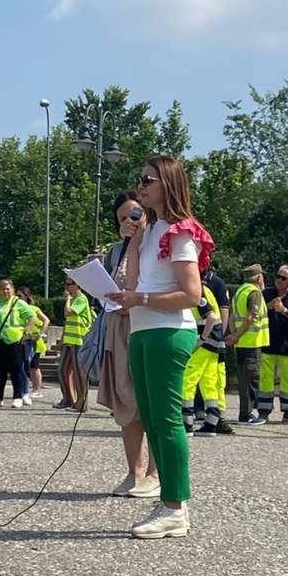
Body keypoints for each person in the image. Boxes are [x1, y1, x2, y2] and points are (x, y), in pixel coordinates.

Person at [106, 155, 213, 540]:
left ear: (168, 183)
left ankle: (175, 507)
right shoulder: (150, 232)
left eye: (148, 179)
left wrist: (142, 300)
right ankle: (168, 501)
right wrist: (133, 245)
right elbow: (134, 284)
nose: (141, 186)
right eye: (140, 179)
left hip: (168, 331)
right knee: (150, 420)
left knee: (166, 422)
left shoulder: (180, 232)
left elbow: (191, 293)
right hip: (142, 330)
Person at [99, 192, 161, 497]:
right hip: (119, 328)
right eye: (122, 218)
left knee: (150, 400)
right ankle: (133, 471)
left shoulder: (156, 244)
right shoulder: (115, 250)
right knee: (125, 400)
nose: (128, 222)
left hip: (145, 324)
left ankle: (155, 471)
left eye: (134, 215)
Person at [257, 265, 288, 423]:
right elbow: (255, 313)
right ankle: (264, 411)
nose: (278, 280)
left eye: (283, 278)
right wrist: (268, 307)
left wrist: (284, 310)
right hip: (268, 342)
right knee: (265, 378)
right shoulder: (267, 294)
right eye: (278, 276)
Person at [182, 281, 227, 436]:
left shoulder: (196, 289)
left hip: (204, 344)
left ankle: (186, 422)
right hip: (215, 344)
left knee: (187, 379)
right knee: (209, 383)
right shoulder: (205, 290)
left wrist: (201, 338)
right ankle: (211, 422)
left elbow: (211, 317)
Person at [226, 264, 269, 426]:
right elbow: (251, 317)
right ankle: (247, 415)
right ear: (259, 278)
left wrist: (233, 335)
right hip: (251, 342)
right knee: (251, 380)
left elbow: (232, 316)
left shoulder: (240, 292)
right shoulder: (255, 292)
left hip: (242, 343)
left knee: (244, 380)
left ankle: (245, 413)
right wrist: (236, 335)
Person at [0, 279, 36, 408]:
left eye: (7, 288)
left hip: (14, 341)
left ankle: (18, 396)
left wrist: (26, 332)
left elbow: (32, 316)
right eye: (2, 288)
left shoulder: (18, 303)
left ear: (12, 290)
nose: (5, 291)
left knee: (16, 370)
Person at [56, 279, 92, 411]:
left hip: (79, 339)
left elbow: (68, 313)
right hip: (69, 339)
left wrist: (67, 300)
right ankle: (68, 399)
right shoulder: (72, 299)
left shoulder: (82, 299)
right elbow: (68, 320)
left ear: (78, 285)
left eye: (70, 284)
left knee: (78, 372)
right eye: (66, 284)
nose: (67, 287)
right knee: (62, 370)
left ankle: (81, 403)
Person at [18, 287, 50, 399]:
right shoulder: (17, 308)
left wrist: (41, 333)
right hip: (23, 340)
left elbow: (46, 320)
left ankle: (37, 389)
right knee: (25, 366)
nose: (18, 298)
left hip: (34, 341)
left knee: (34, 366)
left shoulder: (34, 308)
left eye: (20, 296)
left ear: (26, 296)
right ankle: (28, 388)